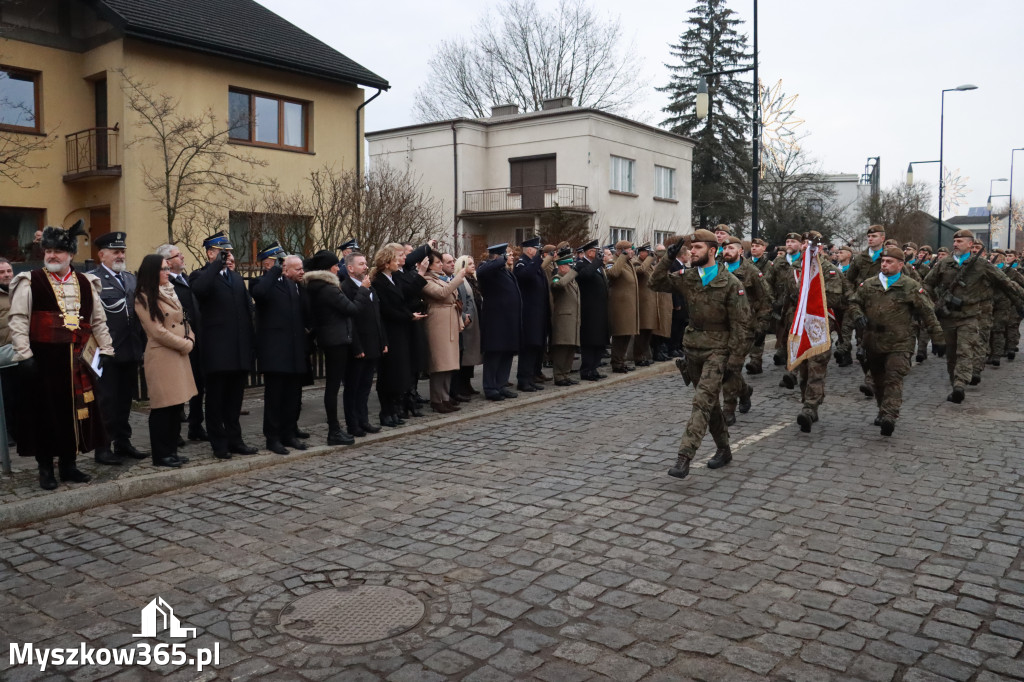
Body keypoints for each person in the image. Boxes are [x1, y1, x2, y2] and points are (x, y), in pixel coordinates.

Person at [8, 222, 114, 490]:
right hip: (44, 362)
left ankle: (69, 465)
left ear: (70, 255)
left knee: (75, 414)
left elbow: (98, 321)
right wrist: (25, 355)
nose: (52, 255)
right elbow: (18, 320)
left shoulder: (86, 282)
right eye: (49, 250)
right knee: (45, 415)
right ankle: (46, 468)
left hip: (78, 361)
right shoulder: (31, 280)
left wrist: (108, 348)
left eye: (58, 251)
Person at [649, 229, 751, 479]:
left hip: (718, 349)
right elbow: (655, 283)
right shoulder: (690, 277)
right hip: (693, 347)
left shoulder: (731, 283)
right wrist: (666, 259)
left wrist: (735, 362)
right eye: (690, 248)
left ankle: (684, 456)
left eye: (697, 248)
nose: (692, 251)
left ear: (712, 251)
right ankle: (724, 449)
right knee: (710, 404)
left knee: (701, 402)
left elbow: (741, 324)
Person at [848, 247, 944, 435]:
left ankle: (889, 416)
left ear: (900, 265)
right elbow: (854, 302)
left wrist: (938, 337)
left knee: (893, 378)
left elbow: (927, 312)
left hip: (900, 342)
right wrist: (857, 315)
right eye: (883, 261)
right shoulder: (868, 284)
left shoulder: (910, 286)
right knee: (878, 380)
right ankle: (882, 409)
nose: (884, 264)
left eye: (889, 261)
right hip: (873, 341)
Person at [924, 230, 1024, 402]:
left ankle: (960, 385)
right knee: (952, 355)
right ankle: (955, 381)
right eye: (954, 241)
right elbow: (927, 284)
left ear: (970, 244)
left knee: (965, 350)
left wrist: (1021, 299)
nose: (955, 244)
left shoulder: (982, 265)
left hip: (970, 316)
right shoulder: (944, 263)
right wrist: (930, 304)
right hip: (947, 317)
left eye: (960, 241)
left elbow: (1005, 283)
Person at [189, 232, 258, 459]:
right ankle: (219, 444)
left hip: (237, 351)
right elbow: (199, 291)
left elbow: (246, 314)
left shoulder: (236, 279)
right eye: (222, 253)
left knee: (234, 402)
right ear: (210, 253)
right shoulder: (201, 276)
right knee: (216, 401)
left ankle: (235, 440)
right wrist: (215, 266)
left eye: (229, 253)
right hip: (217, 352)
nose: (228, 257)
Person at [89, 231, 147, 465]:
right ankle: (103, 447)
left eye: (122, 251)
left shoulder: (130, 279)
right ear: (102, 255)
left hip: (130, 350)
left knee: (125, 400)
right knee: (106, 402)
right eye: (115, 252)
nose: (120, 255)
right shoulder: (93, 279)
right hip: (107, 352)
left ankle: (123, 442)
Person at [134, 254, 196, 467]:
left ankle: (172, 450)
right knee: (163, 408)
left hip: (178, 354)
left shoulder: (170, 291)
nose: (167, 272)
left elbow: (183, 319)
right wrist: (184, 344)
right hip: (162, 356)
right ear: (153, 271)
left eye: (168, 268)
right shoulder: (143, 297)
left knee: (177, 406)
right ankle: (161, 455)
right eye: (163, 268)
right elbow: (157, 331)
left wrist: (190, 337)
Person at [303, 249, 365, 445]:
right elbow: (352, 309)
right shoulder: (328, 288)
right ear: (330, 268)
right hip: (335, 341)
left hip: (332, 339)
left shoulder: (317, 286)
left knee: (333, 386)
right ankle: (334, 430)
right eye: (337, 266)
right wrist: (363, 289)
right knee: (332, 387)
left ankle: (335, 429)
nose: (339, 268)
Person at [252, 254, 310, 455]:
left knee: (293, 397)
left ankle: (288, 433)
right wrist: (276, 270)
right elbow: (259, 293)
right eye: (297, 268)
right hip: (275, 352)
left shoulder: (295, 286)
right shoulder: (262, 282)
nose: (302, 272)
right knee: (275, 399)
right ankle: (273, 437)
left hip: (294, 351)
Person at [157, 243, 206, 441]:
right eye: (178, 255)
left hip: (195, 340)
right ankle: (174, 431)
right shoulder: (165, 285)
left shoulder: (186, 279)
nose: (183, 257)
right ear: (167, 262)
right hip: (178, 343)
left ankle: (196, 425)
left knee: (198, 385)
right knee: (177, 388)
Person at [374, 243, 427, 424]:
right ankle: (385, 412)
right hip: (390, 331)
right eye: (396, 259)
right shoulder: (379, 281)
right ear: (387, 262)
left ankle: (393, 410)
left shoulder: (394, 278)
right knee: (388, 374)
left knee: (398, 373)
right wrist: (409, 316)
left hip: (400, 330)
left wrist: (410, 314)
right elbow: (387, 309)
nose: (399, 262)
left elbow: (403, 299)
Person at [719, 236, 768, 425]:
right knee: (723, 368)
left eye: (731, 248)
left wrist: (762, 327)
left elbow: (765, 300)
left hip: (744, 328)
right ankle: (745, 391)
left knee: (732, 368)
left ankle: (728, 409)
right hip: (721, 328)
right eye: (724, 249)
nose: (726, 251)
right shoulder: (717, 269)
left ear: (740, 251)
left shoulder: (752, 272)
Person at [341, 251, 388, 436]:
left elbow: (377, 316)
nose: (365, 267)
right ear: (350, 268)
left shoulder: (369, 286)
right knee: (353, 388)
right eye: (361, 264)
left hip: (373, 344)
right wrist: (357, 347)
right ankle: (353, 424)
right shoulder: (346, 288)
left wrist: (382, 340)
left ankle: (364, 420)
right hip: (358, 346)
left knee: (366, 387)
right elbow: (351, 321)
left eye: (366, 263)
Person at [422, 250, 467, 413]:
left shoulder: (443, 278)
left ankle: (445, 397)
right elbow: (441, 293)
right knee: (439, 362)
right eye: (438, 263)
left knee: (450, 363)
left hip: (450, 319)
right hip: (438, 321)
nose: (441, 265)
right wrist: (458, 278)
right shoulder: (426, 280)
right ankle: (436, 399)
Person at [476, 243, 522, 400]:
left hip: (509, 320)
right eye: (507, 255)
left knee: (507, 353)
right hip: (495, 321)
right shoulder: (486, 268)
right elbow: (482, 271)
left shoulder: (505, 271)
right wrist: (501, 259)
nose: (511, 257)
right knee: (494, 354)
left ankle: (501, 385)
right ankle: (490, 387)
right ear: (497, 256)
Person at [514, 236, 550, 392]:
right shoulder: (522, 263)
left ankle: (531, 377)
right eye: (536, 249)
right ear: (530, 250)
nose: (538, 252)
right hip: (529, 314)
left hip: (539, 313)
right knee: (528, 348)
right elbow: (525, 276)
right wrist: (537, 260)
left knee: (536, 347)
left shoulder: (533, 264)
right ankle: (523, 380)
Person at [575, 239, 611, 380]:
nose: (598, 255)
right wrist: (597, 262)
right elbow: (585, 275)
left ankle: (594, 368)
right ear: (589, 252)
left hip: (600, 309)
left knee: (599, 341)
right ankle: (586, 370)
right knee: (590, 341)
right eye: (596, 252)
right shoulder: (580, 264)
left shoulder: (597, 266)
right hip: (589, 310)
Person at [548, 246, 580, 386]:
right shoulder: (556, 278)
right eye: (568, 265)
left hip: (573, 320)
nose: (571, 267)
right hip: (563, 320)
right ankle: (559, 376)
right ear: (561, 267)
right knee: (562, 350)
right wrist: (573, 272)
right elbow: (559, 285)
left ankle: (566, 374)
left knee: (570, 349)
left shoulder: (572, 281)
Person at [607, 240, 639, 373]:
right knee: (619, 335)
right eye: (630, 249)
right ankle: (616, 363)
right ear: (621, 251)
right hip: (619, 307)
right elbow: (613, 274)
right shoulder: (613, 262)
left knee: (627, 335)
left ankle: (621, 361)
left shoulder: (628, 262)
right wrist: (622, 256)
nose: (632, 251)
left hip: (629, 306)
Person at [453, 255, 483, 399]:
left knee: (471, 355)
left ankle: (467, 384)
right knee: (465, 356)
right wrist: (465, 316)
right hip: (466, 321)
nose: (473, 266)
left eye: (473, 263)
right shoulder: (461, 281)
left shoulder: (473, 280)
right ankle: (461, 385)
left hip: (475, 320)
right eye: (469, 264)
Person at [0, 257, 15, 446]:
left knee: (23, 397)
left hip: (23, 352)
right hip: (4, 355)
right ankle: (7, 434)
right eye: (2, 272)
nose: (6, 275)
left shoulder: (21, 291)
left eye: (8, 271)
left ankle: (20, 431)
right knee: (7, 399)